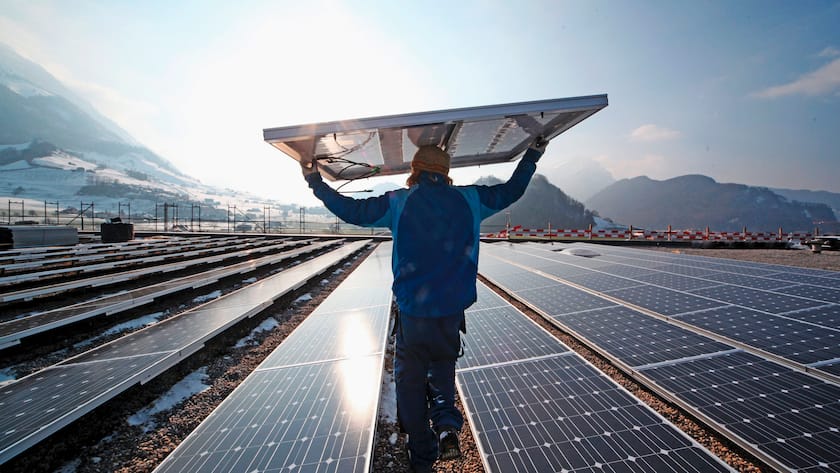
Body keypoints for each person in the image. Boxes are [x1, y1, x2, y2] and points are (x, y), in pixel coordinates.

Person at [301, 137, 547, 472]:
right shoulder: (472, 199)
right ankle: (446, 424)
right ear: (446, 173)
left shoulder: (399, 202)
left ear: (415, 171)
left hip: (414, 313)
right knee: (444, 367)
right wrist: (532, 154)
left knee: (410, 381)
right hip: (451, 311)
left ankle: (422, 455)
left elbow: (351, 211)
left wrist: (315, 181)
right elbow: (511, 190)